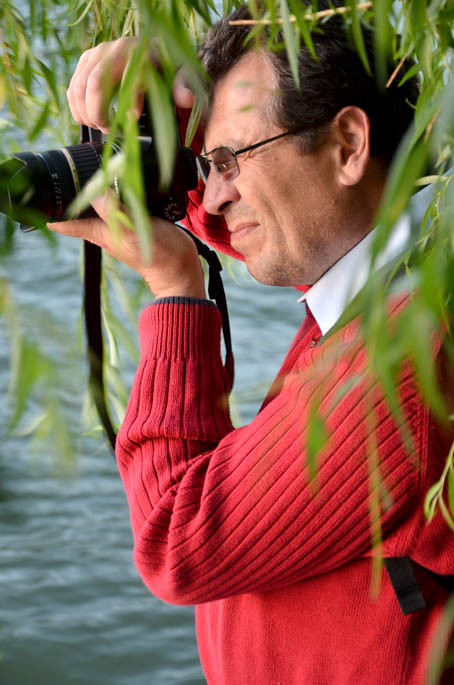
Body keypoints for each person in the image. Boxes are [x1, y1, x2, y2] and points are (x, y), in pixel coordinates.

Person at [50, 2, 454, 683]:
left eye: (230, 158)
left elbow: (177, 540)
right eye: (207, 163)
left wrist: (176, 287)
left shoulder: (405, 363)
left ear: (349, 145)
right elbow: (258, 215)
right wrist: (166, 122)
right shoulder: (400, 274)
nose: (216, 193)